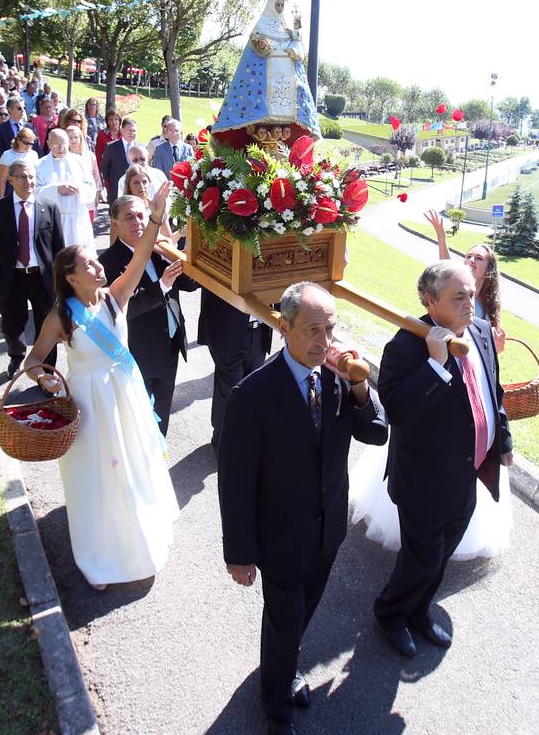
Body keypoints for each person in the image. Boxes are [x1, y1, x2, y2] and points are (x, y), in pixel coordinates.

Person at [218, 282, 388, 733]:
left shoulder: (337, 376)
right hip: (279, 540)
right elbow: (234, 484)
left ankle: (284, 665)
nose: (323, 341)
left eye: (329, 329)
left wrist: (359, 386)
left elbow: (375, 433)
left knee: (299, 617)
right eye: (312, 329)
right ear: (283, 325)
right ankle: (276, 708)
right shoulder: (252, 396)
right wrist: (239, 551)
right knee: (284, 621)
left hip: (328, 532)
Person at [23, 184, 180, 590]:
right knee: (96, 483)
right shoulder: (59, 318)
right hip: (88, 406)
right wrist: (50, 383)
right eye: (89, 265)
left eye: (97, 261)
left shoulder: (114, 299)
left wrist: (158, 214)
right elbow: (33, 361)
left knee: (131, 472)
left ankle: (135, 544)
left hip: (124, 399)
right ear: (71, 278)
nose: (98, 267)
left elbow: (143, 253)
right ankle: (97, 561)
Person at [373, 261, 513, 659]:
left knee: (444, 552)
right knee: (423, 557)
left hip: (466, 472)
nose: (470, 303)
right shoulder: (404, 346)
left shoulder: (482, 332)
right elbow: (397, 411)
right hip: (423, 480)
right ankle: (390, 613)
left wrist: (501, 437)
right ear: (430, 301)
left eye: (471, 293)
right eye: (458, 297)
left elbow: (492, 389)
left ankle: (417, 610)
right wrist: (435, 364)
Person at [98, 196, 198, 435]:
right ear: (114, 225)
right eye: (129, 217)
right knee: (138, 420)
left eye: (141, 215)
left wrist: (174, 254)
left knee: (162, 415)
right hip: (139, 352)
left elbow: (190, 284)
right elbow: (122, 308)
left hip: (170, 346)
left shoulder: (159, 249)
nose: (138, 222)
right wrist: (161, 285)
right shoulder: (108, 262)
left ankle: (158, 459)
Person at [0, 161, 66, 380]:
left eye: (31, 177)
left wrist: (64, 283)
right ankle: (16, 357)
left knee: (47, 327)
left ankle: (46, 373)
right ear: (10, 180)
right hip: (11, 279)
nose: (28, 182)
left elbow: (59, 249)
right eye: (22, 177)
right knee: (12, 325)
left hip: (43, 279)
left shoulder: (49, 207)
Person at [200, 288, 273, 452]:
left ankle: (242, 441)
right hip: (226, 331)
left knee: (252, 389)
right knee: (231, 389)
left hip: (259, 331)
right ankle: (223, 444)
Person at [424, 209, 506, 352]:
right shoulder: (452, 287)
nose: (471, 260)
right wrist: (441, 236)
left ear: (488, 271)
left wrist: (496, 348)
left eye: (479, 258)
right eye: (468, 256)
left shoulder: (490, 308)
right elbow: (447, 267)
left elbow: (487, 351)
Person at [35, 128, 96, 247]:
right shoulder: (39, 165)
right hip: (53, 220)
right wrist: (56, 189)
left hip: (78, 217)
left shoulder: (80, 162)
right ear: (49, 144)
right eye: (57, 144)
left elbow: (90, 187)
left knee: (80, 255)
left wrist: (79, 188)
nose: (61, 148)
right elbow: (35, 192)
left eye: (64, 144)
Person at [67, 124, 104, 223]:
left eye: (76, 137)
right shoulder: (64, 157)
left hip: (88, 198)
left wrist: (97, 193)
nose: (74, 140)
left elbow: (96, 176)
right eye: (70, 138)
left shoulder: (89, 156)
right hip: (70, 200)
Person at [101, 116, 142, 203]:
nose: (132, 133)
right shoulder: (111, 147)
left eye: (134, 131)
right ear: (122, 130)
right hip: (116, 191)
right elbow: (105, 169)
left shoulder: (141, 148)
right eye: (130, 130)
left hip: (137, 190)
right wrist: (109, 188)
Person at [0, 130, 39, 200]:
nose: (28, 146)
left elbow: (36, 177)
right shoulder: (7, 155)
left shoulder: (34, 154)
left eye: (31, 144)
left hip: (29, 190)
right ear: (18, 140)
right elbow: (2, 180)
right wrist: (0, 199)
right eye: (25, 143)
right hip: (11, 190)